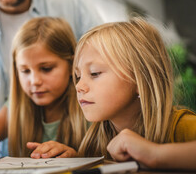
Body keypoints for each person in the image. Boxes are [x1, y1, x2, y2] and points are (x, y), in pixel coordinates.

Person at [73, 17, 196, 170]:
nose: (79, 86)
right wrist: (73, 160)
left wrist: (155, 155)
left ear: (140, 80)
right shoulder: (94, 140)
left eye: (94, 73)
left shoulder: (181, 126)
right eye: (78, 76)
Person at [0, 17, 86, 161]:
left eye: (46, 69)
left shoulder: (89, 104)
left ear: (72, 65)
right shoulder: (15, 107)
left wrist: (78, 158)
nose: (34, 81)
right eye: (25, 71)